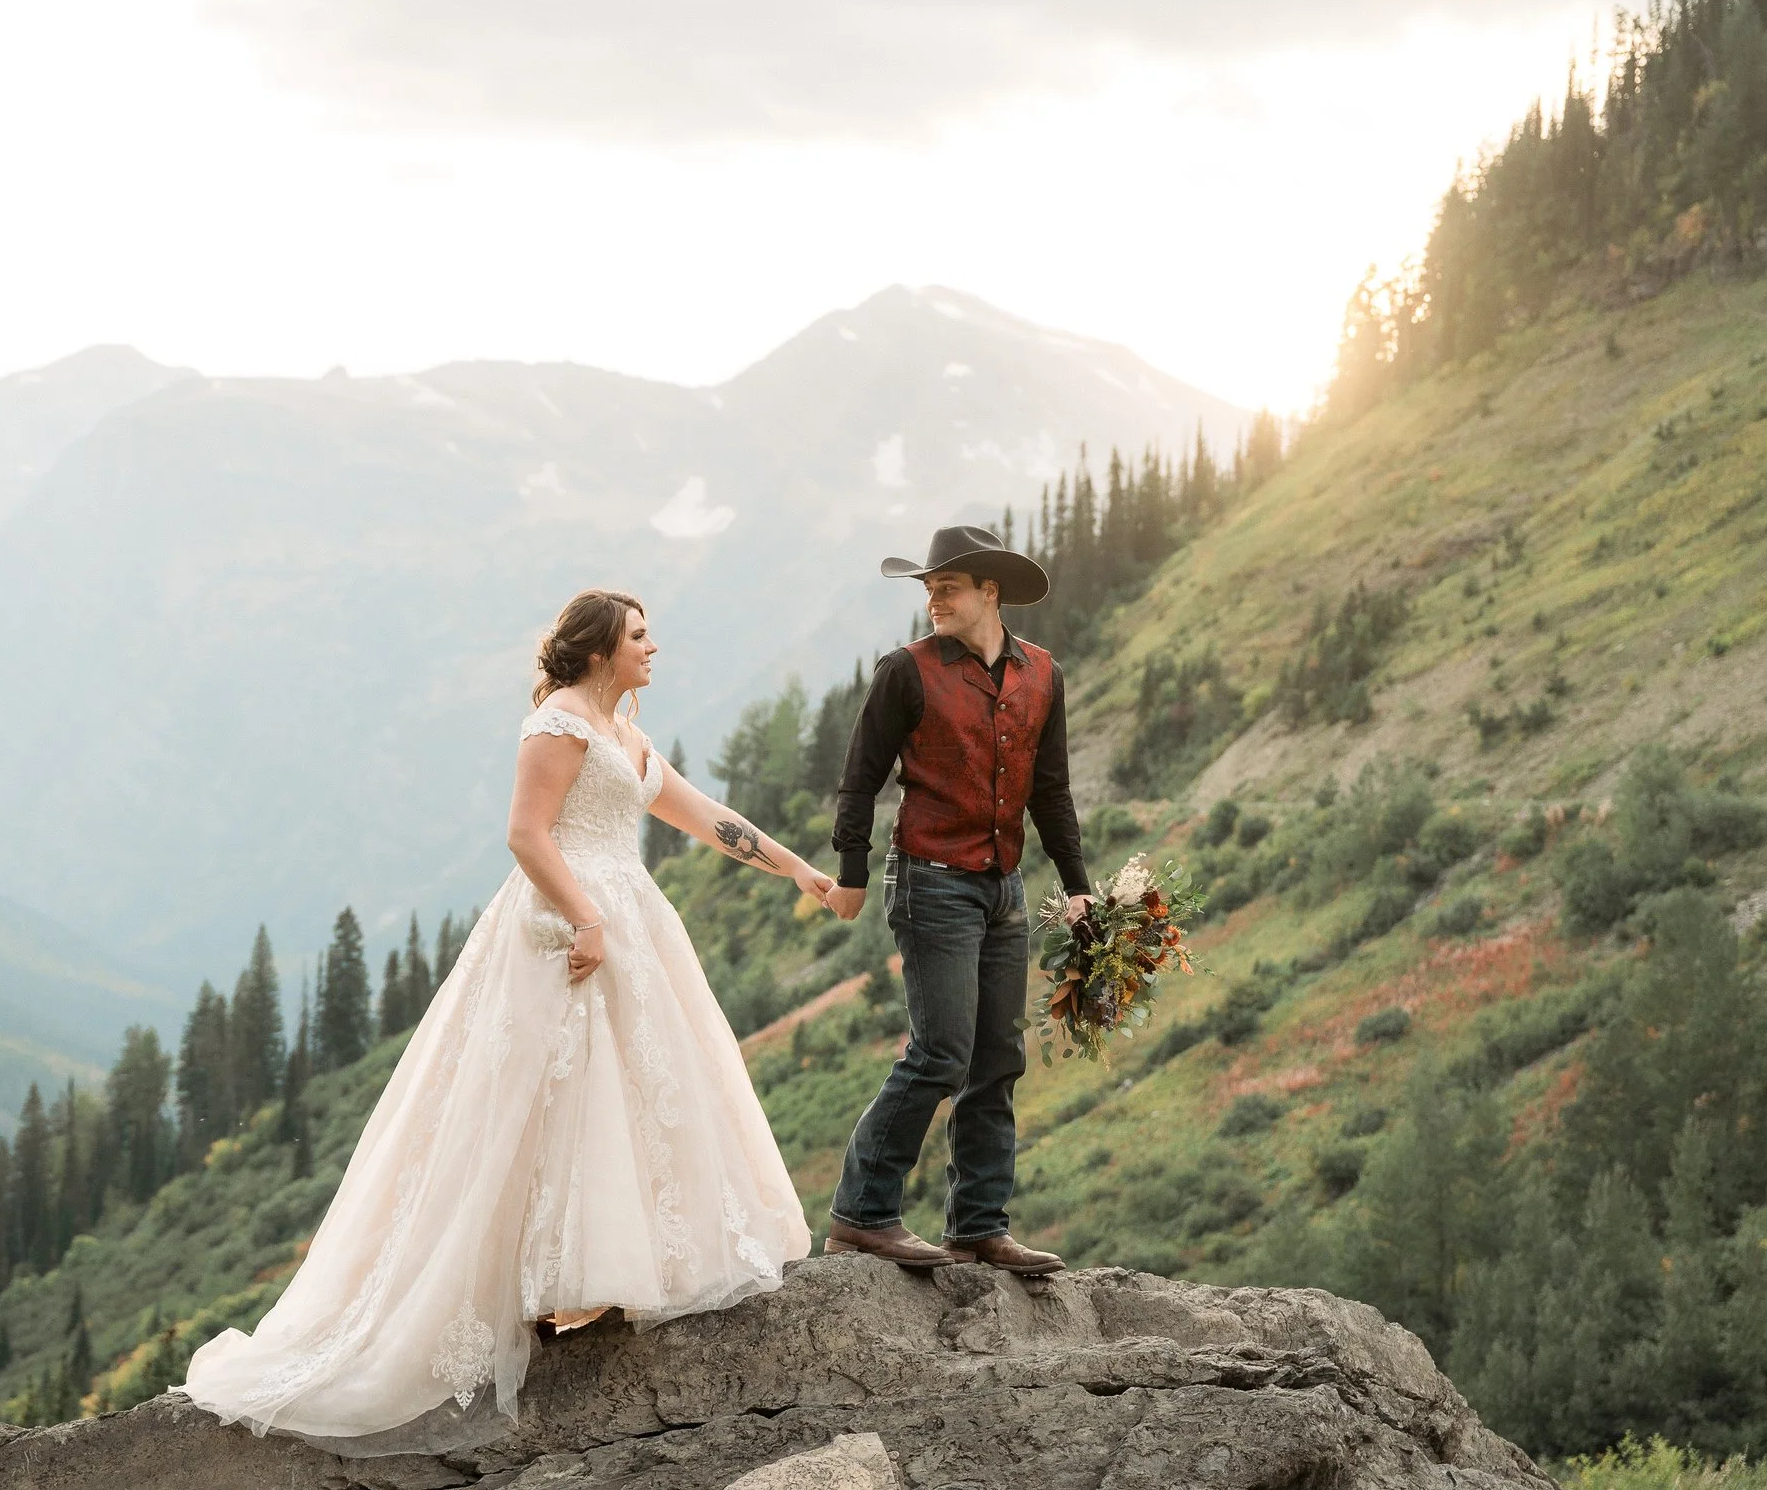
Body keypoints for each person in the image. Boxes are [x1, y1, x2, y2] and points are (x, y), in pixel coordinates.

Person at [176, 589, 827, 1450]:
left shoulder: (625, 734)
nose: (653, 648)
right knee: (545, 1102)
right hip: (563, 927)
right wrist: (586, 918)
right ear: (598, 649)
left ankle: (596, 1278)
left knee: (623, 1100)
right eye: (639, 636)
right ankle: (536, 1290)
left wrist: (797, 869)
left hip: (626, 918)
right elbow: (526, 834)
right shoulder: (559, 722)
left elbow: (703, 815)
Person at [819, 526, 1094, 1275]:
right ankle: (862, 1213)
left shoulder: (1044, 674)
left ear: (990, 592)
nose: (934, 598)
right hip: (930, 878)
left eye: (949, 586)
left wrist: (1078, 886)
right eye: (929, 587)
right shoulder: (905, 672)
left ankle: (977, 1225)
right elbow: (860, 776)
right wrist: (850, 870)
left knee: (997, 1057)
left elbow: (1052, 790)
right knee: (941, 1050)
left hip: (1004, 887)